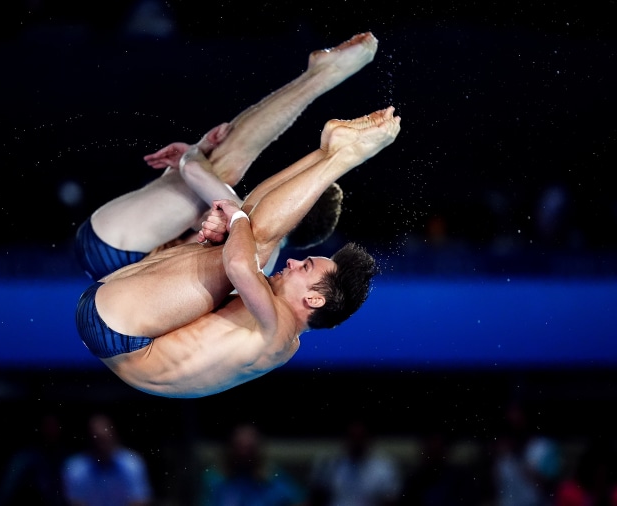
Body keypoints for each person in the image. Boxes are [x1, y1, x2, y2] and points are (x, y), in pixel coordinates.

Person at [76, 100, 401, 399]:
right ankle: (327, 152)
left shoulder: (280, 335)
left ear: (314, 300)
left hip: (120, 328)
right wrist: (230, 222)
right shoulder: (267, 313)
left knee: (252, 242)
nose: (292, 261)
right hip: (115, 318)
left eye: (305, 268)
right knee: (247, 231)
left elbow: (241, 264)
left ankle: (342, 156)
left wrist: (234, 216)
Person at [75, 32, 377, 282]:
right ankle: (319, 75)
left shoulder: (247, 226)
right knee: (217, 179)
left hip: (110, 250)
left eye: (286, 182)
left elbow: (193, 171)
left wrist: (195, 152)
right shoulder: (263, 260)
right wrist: (186, 172)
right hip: (123, 274)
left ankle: (320, 77)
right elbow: (175, 249)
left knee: (222, 172)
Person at [198, 423, 306, 506]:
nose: (244, 454)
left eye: (249, 449)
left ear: (258, 450)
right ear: (230, 449)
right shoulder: (214, 479)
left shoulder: (273, 478)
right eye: (239, 447)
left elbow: (299, 501)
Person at [62, 413, 153, 506]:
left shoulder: (132, 463)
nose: (101, 446)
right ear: (89, 440)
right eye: (97, 440)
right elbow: (76, 502)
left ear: (114, 437)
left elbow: (139, 500)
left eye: (104, 439)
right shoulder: (75, 468)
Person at [308, 418, 402, 506]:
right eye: (352, 437)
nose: (356, 442)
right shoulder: (330, 465)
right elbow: (316, 497)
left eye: (360, 437)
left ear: (368, 438)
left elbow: (391, 500)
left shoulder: (384, 468)